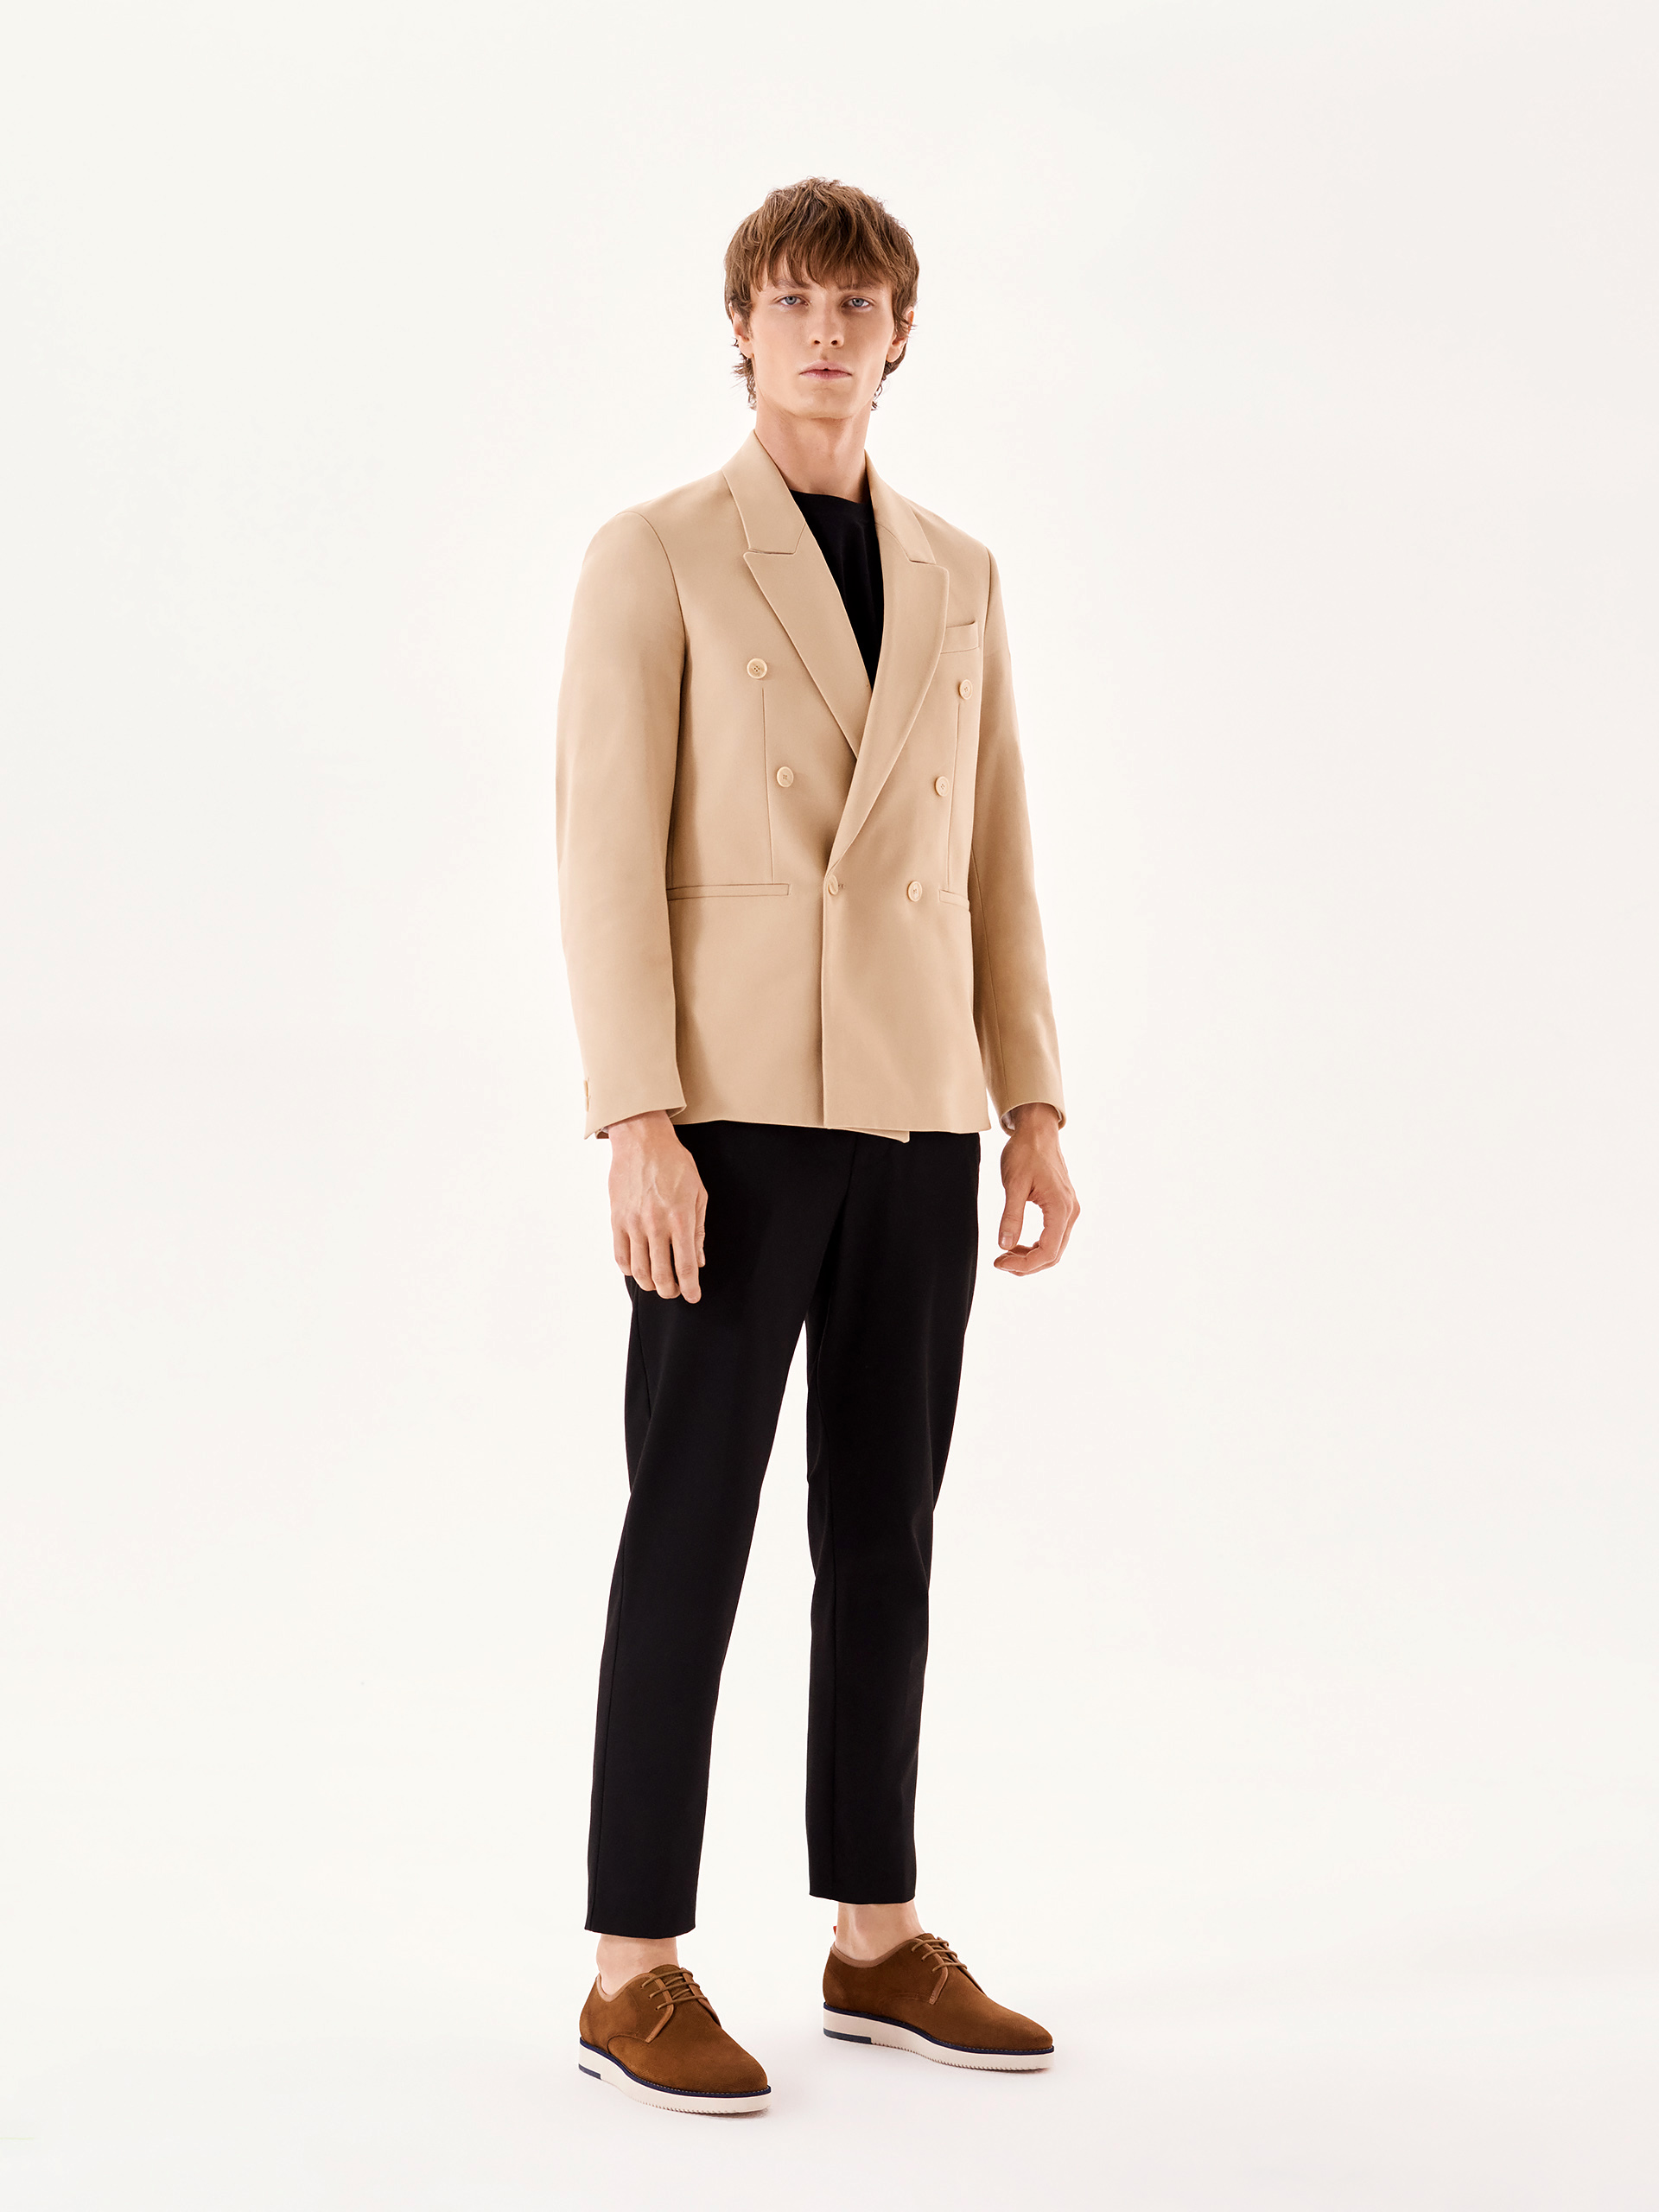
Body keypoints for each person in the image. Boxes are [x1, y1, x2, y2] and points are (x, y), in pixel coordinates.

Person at [556, 177, 1078, 2115]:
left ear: (901, 336)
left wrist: (1032, 1102)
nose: (827, 335)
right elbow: (603, 854)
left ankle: (877, 1934)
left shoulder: (961, 571)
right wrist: (637, 1113)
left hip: (920, 1111)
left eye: (858, 307)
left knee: (885, 1531)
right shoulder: (656, 554)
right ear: (742, 330)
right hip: (732, 1113)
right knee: (687, 1521)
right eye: (793, 303)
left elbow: (993, 854)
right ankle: (633, 1965)